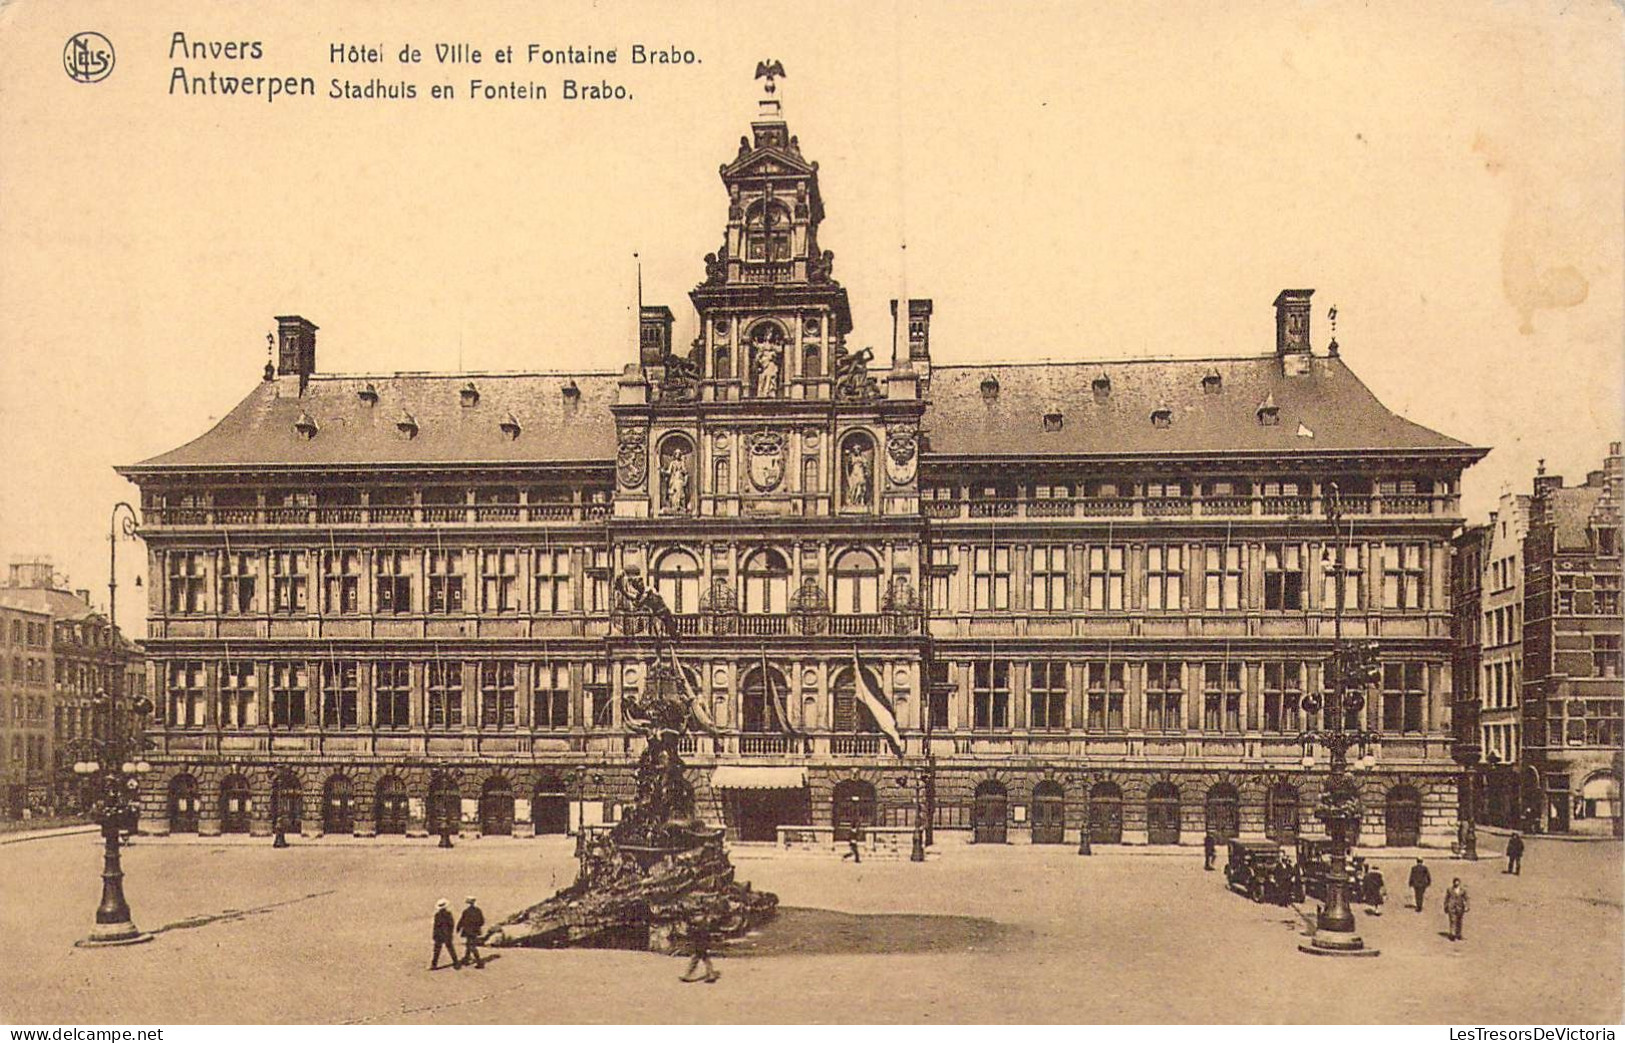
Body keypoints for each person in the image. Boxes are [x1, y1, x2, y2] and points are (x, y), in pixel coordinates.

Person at [679, 917, 719, 983]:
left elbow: (703, 938)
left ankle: (688, 976)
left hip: (700, 946)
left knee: (696, 961)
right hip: (700, 946)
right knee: (705, 960)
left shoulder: (701, 928)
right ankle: (711, 975)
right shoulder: (701, 927)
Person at [430, 898, 460, 971]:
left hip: (439, 935)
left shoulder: (437, 915)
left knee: (437, 950)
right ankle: (456, 963)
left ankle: (434, 965)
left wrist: (434, 935)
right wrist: (450, 933)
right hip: (447, 934)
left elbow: (435, 926)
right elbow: (451, 925)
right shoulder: (448, 914)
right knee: (450, 949)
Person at [457, 896, 486, 969]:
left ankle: (479, 962)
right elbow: (482, 921)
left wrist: (458, 928)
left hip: (468, 931)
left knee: (471, 946)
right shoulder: (478, 910)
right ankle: (466, 959)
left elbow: (462, 920)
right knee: (469, 944)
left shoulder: (466, 911)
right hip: (475, 931)